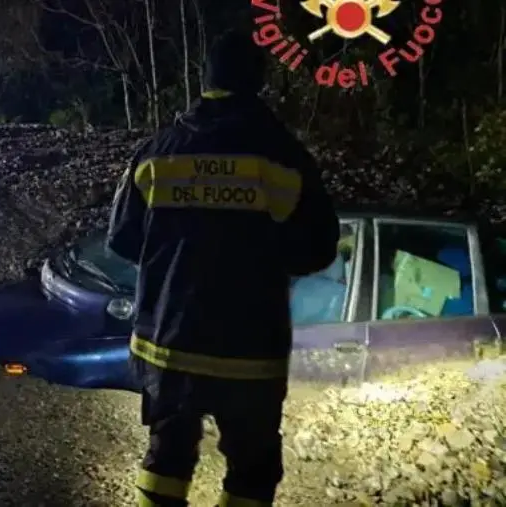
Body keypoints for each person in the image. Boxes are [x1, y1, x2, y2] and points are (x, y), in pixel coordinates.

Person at [106, 28, 340, 507]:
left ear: (205, 80)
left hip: (166, 346)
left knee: (167, 457)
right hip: (250, 354)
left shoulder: (159, 151)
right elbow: (317, 250)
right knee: (252, 470)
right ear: (258, 82)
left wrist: (174, 260)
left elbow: (122, 239)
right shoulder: (283, 157)